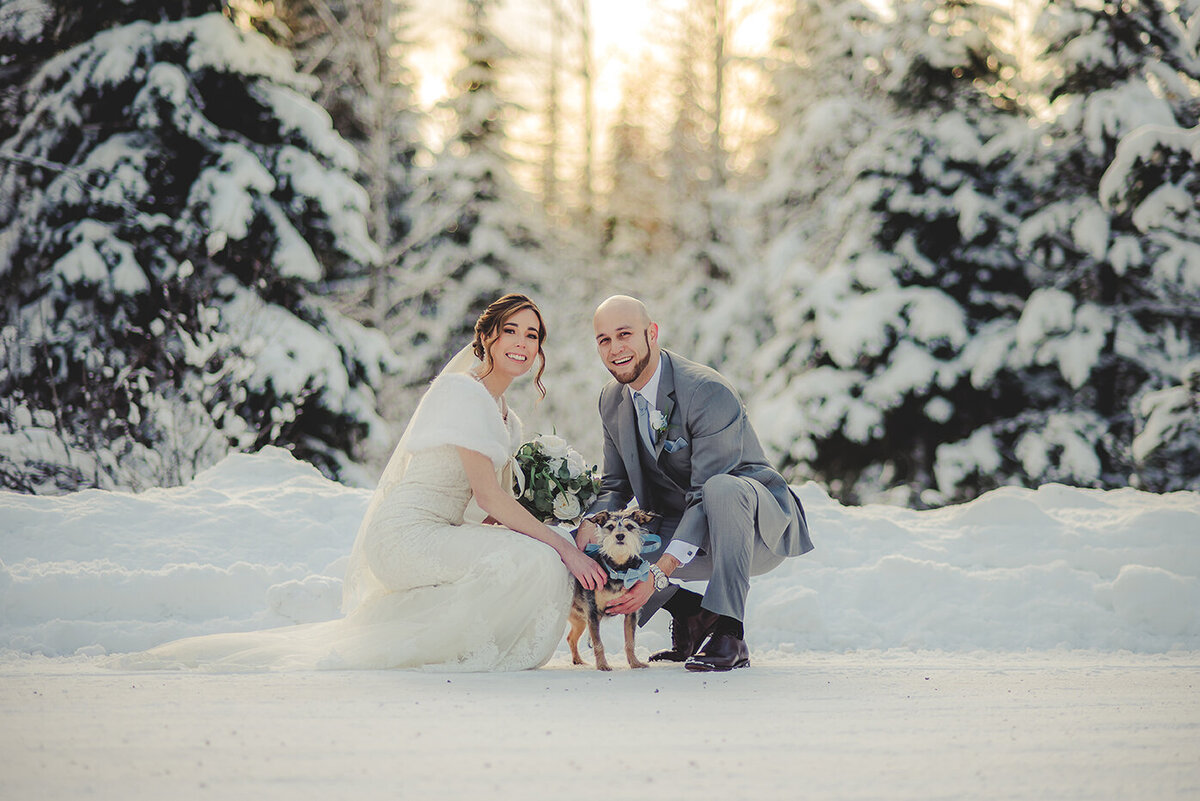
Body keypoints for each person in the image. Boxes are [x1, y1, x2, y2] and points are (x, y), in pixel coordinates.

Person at [114, 293, 605, 672]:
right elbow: (487, 494)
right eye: (511, 331)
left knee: (538, 558)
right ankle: (464, 648)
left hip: (448, 533)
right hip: (408, 535)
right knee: (541, 559)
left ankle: (462, 637)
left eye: (533, 335)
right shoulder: (463, 392)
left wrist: (562, 525)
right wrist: (564, 549)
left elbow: (491, 511)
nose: (522, 343)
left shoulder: (509, 420)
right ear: (488, 339)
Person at [578, 295, 813, 671]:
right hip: (684, 524)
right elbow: (615, 483)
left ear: (651, 333)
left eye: (625, 334)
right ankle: (691, 614)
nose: (615, 348)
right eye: (604, 339)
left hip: (754, 529)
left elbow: (706, 494)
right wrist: (585, 532)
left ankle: (730, 633)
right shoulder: (611, 400)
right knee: (615, 540)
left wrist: (657, 574)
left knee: (722, 487)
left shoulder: (706, 391)